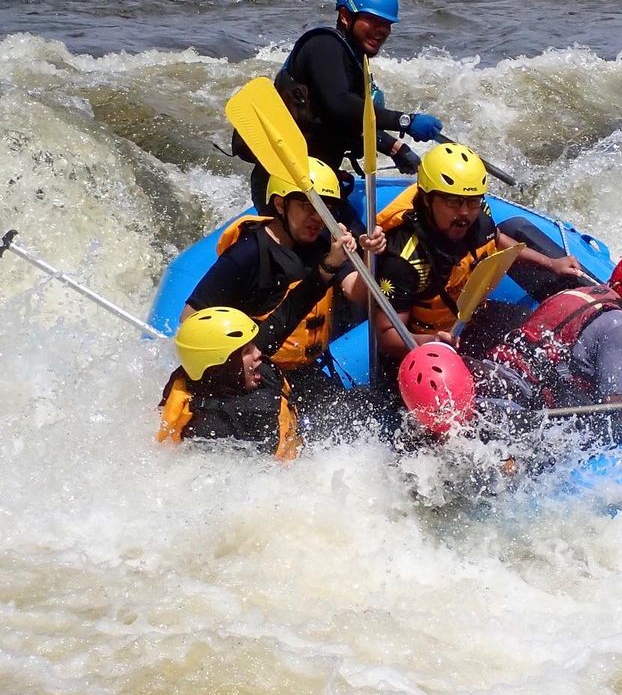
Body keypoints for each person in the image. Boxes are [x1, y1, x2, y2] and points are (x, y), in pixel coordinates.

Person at [235, 0, 444, 212]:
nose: (381, 31)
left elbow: (347, 122)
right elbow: (341, 106)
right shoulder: (323, 46)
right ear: (346, 16)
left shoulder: (354, 60)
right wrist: (405, 121)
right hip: (285, 187)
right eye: (372, 20)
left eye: (387, 24)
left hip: (318, 178)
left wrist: (394, 147)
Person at [182, 157, 385, 411]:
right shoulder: (247, 254)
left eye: (324, 208)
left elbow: (358, 292)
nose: (316, 218)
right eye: (306, 206)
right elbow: (190, 318)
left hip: (306, 370)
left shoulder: (324, 244)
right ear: (280, 205)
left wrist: (370, 256)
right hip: (257, 373)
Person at [372, 142, 592, 362]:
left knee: (544, 336)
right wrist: (432, 341)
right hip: (427, 344)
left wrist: (552, 263)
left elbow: (497, 239)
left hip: (471, 320)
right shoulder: (405, 259)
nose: (465, 213)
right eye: (453, 202)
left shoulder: (479, 219)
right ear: (428, 199)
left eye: (472, 201)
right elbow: (386, 336)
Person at [476, 252, 622, 440]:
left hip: (494, 383)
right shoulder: (620, 325)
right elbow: (619, 407)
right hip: (520, 411)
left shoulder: (578, 295)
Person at [157, 307, 301, 458]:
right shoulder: (211, 433)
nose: (258, 354)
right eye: (246, 351)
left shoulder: (250, 375)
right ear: (222, 367)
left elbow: (280, 322)